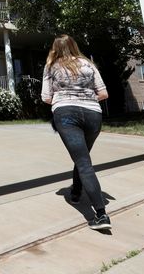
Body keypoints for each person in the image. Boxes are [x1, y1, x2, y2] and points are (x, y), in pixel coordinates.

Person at [41, 34, 111, 230]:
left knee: (83, 162)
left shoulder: (51, 66)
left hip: (66, 114)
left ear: (55, 49)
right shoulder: (88, 64)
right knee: (83, 157)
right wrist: (86, 99)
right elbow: (104, 93)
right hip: (93, 115)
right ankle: (76, 192)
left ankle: (101, 215)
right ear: (74, 46)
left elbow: (46, 97)